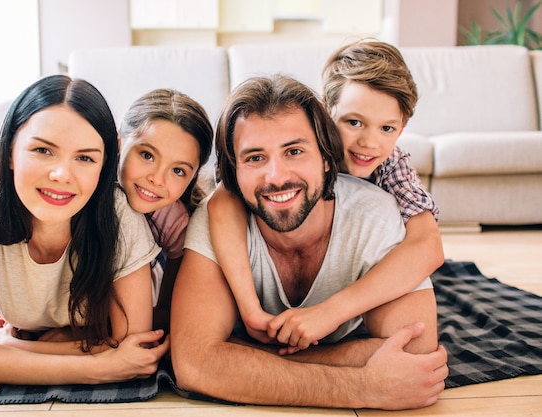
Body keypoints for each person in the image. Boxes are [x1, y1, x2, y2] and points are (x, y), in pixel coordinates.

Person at [170, 74, 448, 410]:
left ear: (327, 158)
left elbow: (416, 354)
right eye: (255, 158)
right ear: (233, 172)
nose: (276, 177)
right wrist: (363, 386)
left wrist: (238, 358)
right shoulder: (218, 217)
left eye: (295, 151)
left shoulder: (377, 213)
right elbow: (194, 364)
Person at [206, 39, 443, 353]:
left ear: (402, 129)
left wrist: (331, 312)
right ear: (325, 112)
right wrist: (250, 311)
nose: (369, 143)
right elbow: (223, 201)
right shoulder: (292, 152)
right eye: (354, 122)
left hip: (360, 271)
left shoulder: (392, 166)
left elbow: (428, 246)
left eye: (387, 128)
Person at [0, 74, 169, 385]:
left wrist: (11, 346)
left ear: (105, 164)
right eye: (43, 150)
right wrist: (99, 367)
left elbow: (132, 347)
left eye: (85, 158)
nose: (62, 174)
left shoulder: (118, 212)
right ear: (10, 150)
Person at [117, 88, 213, 330]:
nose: (158, 180)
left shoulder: (176, 221)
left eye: (178, 171)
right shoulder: (84, 190)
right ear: (119, 143)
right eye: (147, 155)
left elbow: (166, 312)